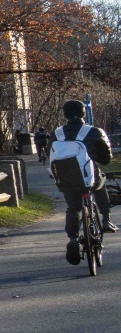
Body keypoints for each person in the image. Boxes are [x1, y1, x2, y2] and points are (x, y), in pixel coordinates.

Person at [52, 100, 114, 264]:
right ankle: (106, 220)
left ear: (65, 114)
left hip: (67, 180)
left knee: (73, 208)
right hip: (89, 177)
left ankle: (73, 238)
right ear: (83, 114)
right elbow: (106, 158)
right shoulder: (94, 131)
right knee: (100, 184)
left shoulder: (57, 133)